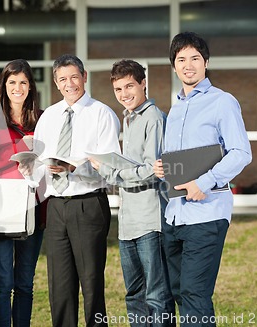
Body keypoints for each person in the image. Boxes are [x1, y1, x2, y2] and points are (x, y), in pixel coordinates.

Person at [153, 32, 252, 326]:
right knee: (179, 293)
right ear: (174, 66)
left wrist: (204, 182)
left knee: (195, 295)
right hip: (175, 216)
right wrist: (164, 169)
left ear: (206, 62)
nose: (188, 65)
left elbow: (240, 152)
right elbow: (179, 159)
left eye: (195, 58)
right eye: (181, 59)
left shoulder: (222, 102)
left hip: (207, 214)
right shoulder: (176, 108)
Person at [21, 54, 121, 327]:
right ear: (55, 82)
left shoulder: (102, 114)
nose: (69, 84)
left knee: (91, 284)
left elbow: (112, 165)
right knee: (59, 286)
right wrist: (31, 170)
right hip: (55, 207)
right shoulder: (49, 117)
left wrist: (75, 169)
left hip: (88, 205)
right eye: (63, 79)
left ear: (84, 77)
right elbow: (40, 162)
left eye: (74, 77)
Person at [89, 59, 175, 327]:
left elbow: (153, 171)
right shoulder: (129, 119)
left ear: (143, 83)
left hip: (150, 221)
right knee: (134, 295)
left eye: (129, 86)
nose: (124, 94)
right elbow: (137, 167)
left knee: (157, 296)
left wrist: (109, 172)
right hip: (127, 224)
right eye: (118, 89)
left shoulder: (154, 118)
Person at [0, 59, 46, 327]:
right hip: (1, 207)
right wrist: (17, 152)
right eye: (12, 82)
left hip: (33, 206)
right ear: (4, 86)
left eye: (23, 82)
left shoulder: (42, 117)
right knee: (3, 282)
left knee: (25, 282)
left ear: (30, 87)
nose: (18, 87)